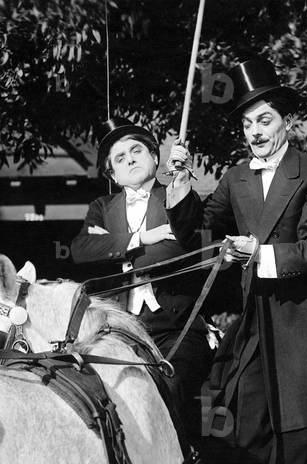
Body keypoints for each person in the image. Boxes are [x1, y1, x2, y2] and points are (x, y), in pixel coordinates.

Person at [165, 58, 307, 464]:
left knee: (299, 441)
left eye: (264, 120)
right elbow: (198, 231)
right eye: (247, 124)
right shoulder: (236, 177)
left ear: (286, 122)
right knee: (240, 422)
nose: (255, 131)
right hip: (257, 324)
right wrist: (179, 180)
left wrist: (259, 254)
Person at [71, 117, 212, 430]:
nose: (130, 159)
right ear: (113, 174)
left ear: (154, 157)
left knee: (167, 391)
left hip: (176, 327)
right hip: (119, 327)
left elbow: (182, 242)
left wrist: (182, 182)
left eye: (136, 151)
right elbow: (82, 251)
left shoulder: (174, 197)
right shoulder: (102, 207)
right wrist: (142, 239)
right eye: (119, 158)